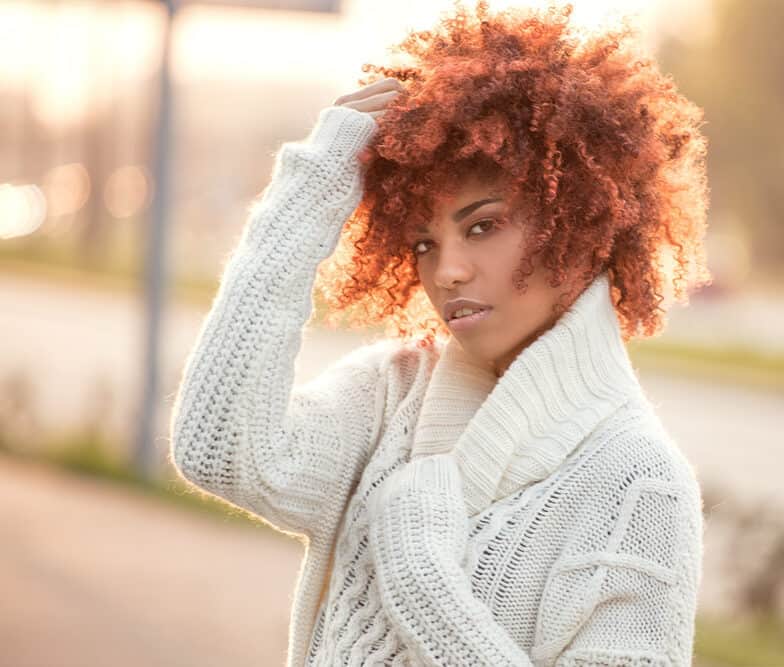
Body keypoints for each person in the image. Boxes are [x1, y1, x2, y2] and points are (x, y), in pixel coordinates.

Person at [168, 2, 711, 666]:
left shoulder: (638, 485)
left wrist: (423, 578)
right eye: (424, 241)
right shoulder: (391, 395)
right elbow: (220, 450)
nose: (446, 270)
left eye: (483, 225)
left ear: (578, 221)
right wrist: (309, 195)